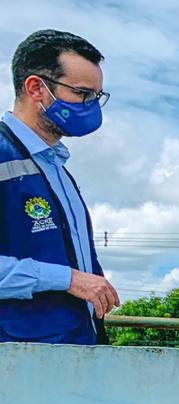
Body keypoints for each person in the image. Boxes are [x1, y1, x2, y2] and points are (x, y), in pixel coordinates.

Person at [0, 29, 118, 344]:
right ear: (36, 88)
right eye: (82, 93)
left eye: (97, 96)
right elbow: (70, 278)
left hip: (75, 350)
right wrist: (64, 278)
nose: (92, 105)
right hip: (19, 361)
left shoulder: (57, 170)